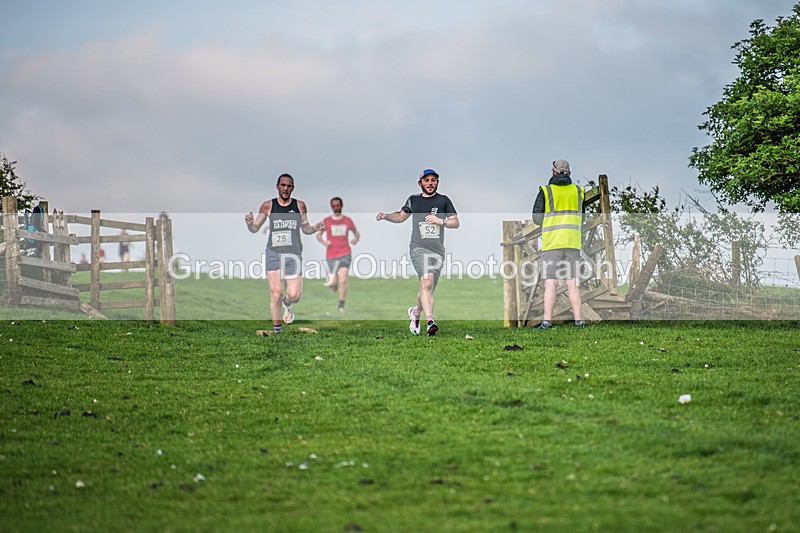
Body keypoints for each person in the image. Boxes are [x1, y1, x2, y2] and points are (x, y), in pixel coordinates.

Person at [376, 168, 459, 336]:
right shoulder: (413, 200)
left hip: (437, 251)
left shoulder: (444, 200)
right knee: (426, 283)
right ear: (420, 183)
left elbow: (455, 222)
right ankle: (430, 321)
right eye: (427, 180)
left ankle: (415, 313)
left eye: (433, 180)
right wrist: (385, 216)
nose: (430, 183)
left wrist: (440, 220)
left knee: (427, 288)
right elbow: (400, 217)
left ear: (437, 182)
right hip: (418, 247)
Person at [245, 173, 324, 334]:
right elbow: (255, 228)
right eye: (283, 185)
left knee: (294, 295)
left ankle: (287, 304)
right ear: (277, 186)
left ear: (293, 188)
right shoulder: (268, 206)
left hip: (293, 254)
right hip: (273, 252)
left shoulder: (299, 206)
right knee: (276, 293)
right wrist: (249, 223)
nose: (286, 189)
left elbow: (306, 228)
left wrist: (315, 228)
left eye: (289, 186)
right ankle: (277, 332)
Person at [531, 159, 586, 329]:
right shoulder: (578, 191)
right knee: (572, 282)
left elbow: (537, 218)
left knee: (550, 283)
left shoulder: (546, 191)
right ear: (569, 172)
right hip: (572, 241)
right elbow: (582, 217)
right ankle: (579, 321)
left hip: (552, 242)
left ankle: (547, 322)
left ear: (553, 172)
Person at [317, 196, 360, 312]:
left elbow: (357, 233)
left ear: (341, 205)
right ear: (331, 207)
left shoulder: (347, 220)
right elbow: (319, 235)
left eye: (338, 206)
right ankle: (334, 286)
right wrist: (324, 242)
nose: (336, 208)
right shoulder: (327, 221)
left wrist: (355, 240)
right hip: (331, 254)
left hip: (345, 253)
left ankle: (341, 304)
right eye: (334, 206)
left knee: (343, 279)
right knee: (331, 282)